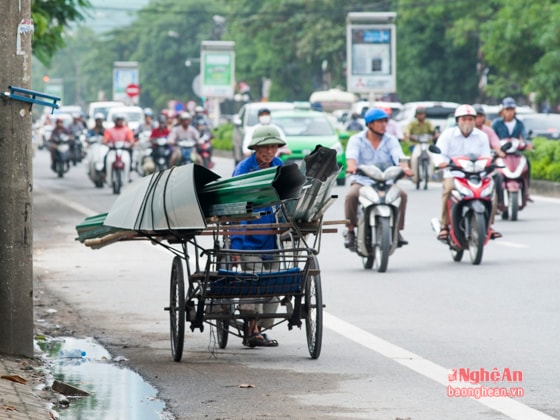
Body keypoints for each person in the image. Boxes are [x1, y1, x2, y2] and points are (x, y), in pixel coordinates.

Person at [230, 125, 287, 348]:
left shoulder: (278, 166)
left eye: (274, 147)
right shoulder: (243, 170)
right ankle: (252, 331)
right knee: (255, 282)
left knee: (273, 285)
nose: (270, 151)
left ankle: (258, 329)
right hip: (247, 241)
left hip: (271, 240)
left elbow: (285, 200)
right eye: (266, 147)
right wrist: (235, 246)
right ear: (256, 148)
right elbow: (234, 209)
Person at [344, 108, 413, 250]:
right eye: (379, 121)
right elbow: (351, 158)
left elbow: (399, 157)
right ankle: (350, 230)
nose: (383, 124)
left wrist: (405, 168)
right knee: (351, 196)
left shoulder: (391, 140)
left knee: (402, 195)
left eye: (385, 121)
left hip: (386, 181)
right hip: (363, 181)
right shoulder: (356, 139)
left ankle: (397, 231)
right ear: (370, 124)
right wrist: (352, 166)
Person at [432, 104, 501, 240]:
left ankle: (489, 226)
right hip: (454, 174)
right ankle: (445, 226)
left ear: (475, 121)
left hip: (477, 175)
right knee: (448, 190)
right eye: (464, 119)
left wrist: (490, 165)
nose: (467, 122)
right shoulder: (447, 134)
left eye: (470, 119)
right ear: (457, 120)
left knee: (492, 194)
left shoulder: (482, 136)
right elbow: (439, 153)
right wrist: (441, 163)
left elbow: (486, 156)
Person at [491, 97, 533, 203]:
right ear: (502, 111)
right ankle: (491, 193)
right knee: (491, 169)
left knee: (527, 163)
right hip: (500, 153)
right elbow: (492, 137)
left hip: (515, 153)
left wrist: (527, 144)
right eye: (507, 109)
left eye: (511, 109)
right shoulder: (496, 123)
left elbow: (524, 136)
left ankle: (527, 191)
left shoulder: (519, 123)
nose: (509, 112)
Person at [474, 105, 504, 237]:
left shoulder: (487, 132)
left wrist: (499, 152)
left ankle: (492, 219)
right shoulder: (460, 133)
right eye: (475, 117)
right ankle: (446, 225)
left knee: (497, 177)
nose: (478, 119)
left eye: (480, 116)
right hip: (465, 168)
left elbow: (496, 144)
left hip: (483, 167)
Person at [405, 107, 438, 183]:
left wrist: (435, 134)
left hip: (427, 144)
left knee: (431, 157)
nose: (421, 116)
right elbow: (407, 130)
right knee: (414, 157)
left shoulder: (428, 123)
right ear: (416, 115)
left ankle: (431, 174)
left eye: (422, 114)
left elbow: (433, 131)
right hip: (415, 144)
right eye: (419, 114)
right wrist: (408, 135)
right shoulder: (412, 123)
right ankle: (414, 176)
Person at [103, 114, 135, 181]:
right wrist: (106, 142)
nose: (120, 122)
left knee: (130, 156)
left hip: (124, 149)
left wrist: (131, 143)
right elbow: (105, 140)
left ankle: (129, 173)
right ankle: (105, 174)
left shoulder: (127, 130)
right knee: (105, 157)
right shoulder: (110, 130)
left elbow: (131, 140)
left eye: (121, 120)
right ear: (115, 121)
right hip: (113, 149)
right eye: (118, 120)